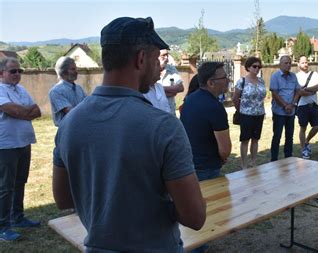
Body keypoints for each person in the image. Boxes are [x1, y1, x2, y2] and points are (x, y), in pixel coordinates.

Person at [51, 17, 206, 252]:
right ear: (141, 59)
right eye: (156, 60)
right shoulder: (163, 126)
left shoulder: (69, 123)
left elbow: (63, 200)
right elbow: (195, 217)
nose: (159, 69)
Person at [0, 57, 41, 241]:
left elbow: (37, 111)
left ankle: (17, 218)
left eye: (19, 71)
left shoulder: (21, 90)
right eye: (13, 71)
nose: (18, 74)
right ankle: (3, 227)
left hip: (24, 142)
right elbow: (20, 111)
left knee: (19, 182)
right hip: (6, 145)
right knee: (5, 187)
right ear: (1, 73)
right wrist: (25, 112)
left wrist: (23, 112)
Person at [180, 61, 231, 181]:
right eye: (224, 77)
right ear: (211, 83)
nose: (228, 80)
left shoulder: (190, 99)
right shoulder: (215, 107)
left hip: (189, 164)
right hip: (207, 169)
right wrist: (222, 157)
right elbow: (225, 150)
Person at [232, 56, 266, 169]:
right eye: (254, 66)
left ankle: (253, 161)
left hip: (259, 114)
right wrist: (240, 110)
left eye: (259, 67)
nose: (257, 68)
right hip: (246, 115)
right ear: (248, 67)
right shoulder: (242, 81)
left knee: (256, 139)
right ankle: (243, 163)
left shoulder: (261, 81)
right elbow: (235, 98)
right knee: (245, 140)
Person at [270, 55, 300, 161]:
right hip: (279, 112)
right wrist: (285, 105)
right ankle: (274, 159)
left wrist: (292, 104)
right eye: (285, 63)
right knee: (277, 135)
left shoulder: (293, 76)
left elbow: (297, 91)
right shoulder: (275, 76)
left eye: (289, 63)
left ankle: (288, 157)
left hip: (291, 111)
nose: (288, 65)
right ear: (280, 64)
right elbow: (275, 93)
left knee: (289, 135)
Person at [295, 56, 318, 159]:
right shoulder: (296, 76)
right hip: (302, 106)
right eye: (302, 63)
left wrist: (307, 89)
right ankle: (303, 149)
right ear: (298, 64)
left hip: (314, 104)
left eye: (306, 62)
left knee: (317, 126)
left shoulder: (314, 74)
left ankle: (306, 141)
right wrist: (312, 90)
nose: (305, 64)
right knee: (303, 127)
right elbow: (300, 92)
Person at [48, 56, 87, 126]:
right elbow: (71, 113)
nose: (76, 72)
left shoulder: (79, 88)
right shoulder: (56, 91)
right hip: (67, 130)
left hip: (81, 127)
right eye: (73, 69)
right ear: (63, 71)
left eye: (76, 69)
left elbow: (88, 106)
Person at [159, 49, 184, 116]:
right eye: (163, 55)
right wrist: (171, 90)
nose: (166, 57)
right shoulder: (150, 70)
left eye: (167, 54)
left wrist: (158, 89)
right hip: (156, 113)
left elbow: (181, 88)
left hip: (170, 113)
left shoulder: (171, 69)